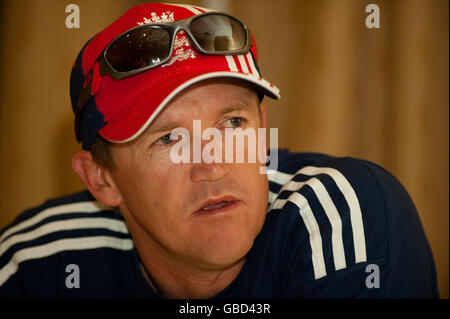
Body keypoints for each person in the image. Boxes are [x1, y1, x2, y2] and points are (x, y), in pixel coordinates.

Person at [0, 3, 438, 299]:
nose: (213, 164)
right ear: (102, 178)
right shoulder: (37, 263)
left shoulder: (340, 215)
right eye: (168, 139)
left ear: (263, 130)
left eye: (232, 123)